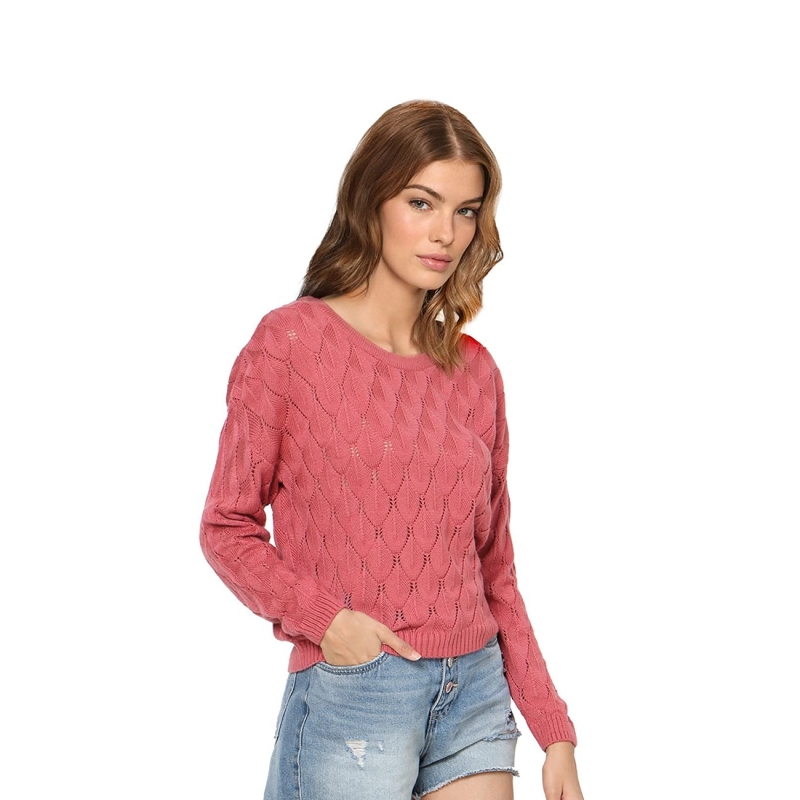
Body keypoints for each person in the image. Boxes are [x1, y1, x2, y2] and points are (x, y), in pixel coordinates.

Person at [200, 100, 584, 800]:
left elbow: (495, 570)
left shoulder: (475, 372)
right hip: (359, 689)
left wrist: (552, 727)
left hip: (474, 688)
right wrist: (329, 624)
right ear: (370, 201)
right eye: (421, 202)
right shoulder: (289, 345)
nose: (445, 233)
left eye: (466, 212)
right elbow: (226, 527)